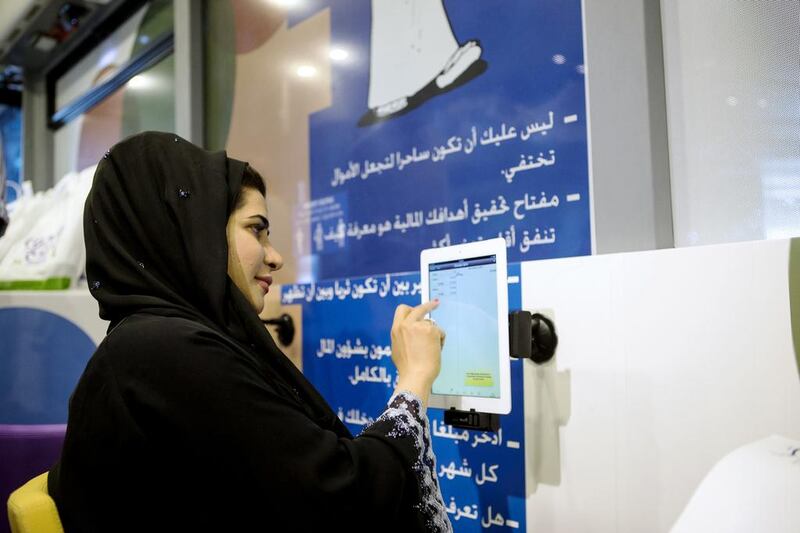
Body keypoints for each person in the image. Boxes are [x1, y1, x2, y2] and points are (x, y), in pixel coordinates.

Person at [48, 131, 452, 532]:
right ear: (193, 231)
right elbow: (338, 494)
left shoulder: (143, 345)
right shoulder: (169, 353)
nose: (275, 257)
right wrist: (414, 381)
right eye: (256, 229)